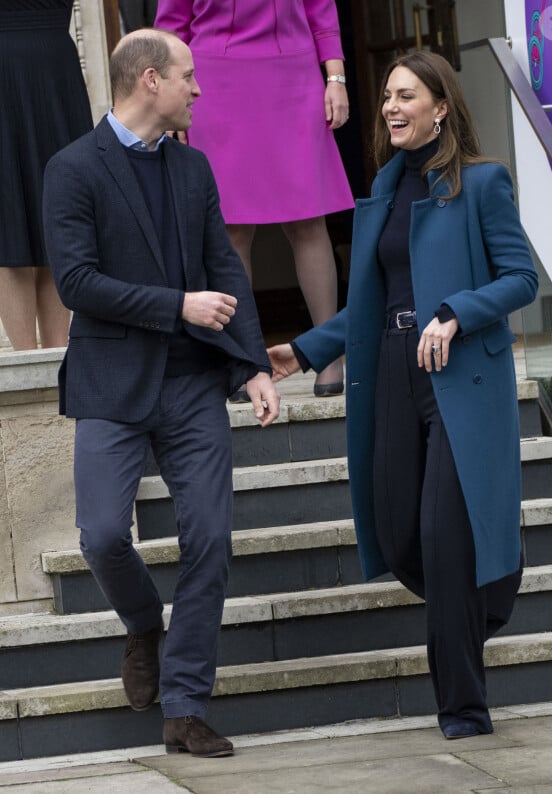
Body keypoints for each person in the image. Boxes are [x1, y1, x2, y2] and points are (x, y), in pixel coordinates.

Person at [268, 50, 538, 740]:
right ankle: (481, 597)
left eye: (406, 95)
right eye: (387, 95)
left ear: (441, 106)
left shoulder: (481, 184)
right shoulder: (384, 189)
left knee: (447, 539)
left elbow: (519, 281)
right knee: (397, 530)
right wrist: (303, 350)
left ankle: (464, 709)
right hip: (390, 368)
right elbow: (370, 302)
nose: (390, 106)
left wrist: (455, 312)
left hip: (459, 377)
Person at [43, 28, 279, 757]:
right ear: (149, 80)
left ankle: (184, 705)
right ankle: (145, 623)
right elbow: (76, 282)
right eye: (187, 76)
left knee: (210, 538)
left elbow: (224, 269)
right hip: (112, 383)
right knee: (104, 536)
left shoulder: (196, 168)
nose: (197, 89)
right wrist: (177, 304)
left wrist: (252, 366)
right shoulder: (72, 168)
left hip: (192, 384)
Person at [154, 0, 354, 399]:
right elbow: (171, 27)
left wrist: (336, 78)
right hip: (215, 84)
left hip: (293, 77)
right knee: (231, 229)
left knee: (307, 219)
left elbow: (321, 8)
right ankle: (245, 359)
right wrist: (172, 99)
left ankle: (329, 352)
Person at [0, 0, 93, 351]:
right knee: (9, 215)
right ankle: (25, 362)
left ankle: (58, 354)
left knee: (59, 211)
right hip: (5, 68)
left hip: (57, 72)